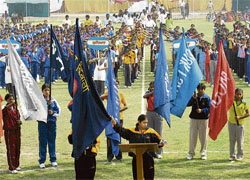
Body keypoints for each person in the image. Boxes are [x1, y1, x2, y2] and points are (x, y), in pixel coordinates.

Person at [111, 114, 165, 180]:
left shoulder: (151, 131)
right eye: (144, 123)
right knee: (136, 177)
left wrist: (161, 143)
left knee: (149, 177)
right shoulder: (132, 132)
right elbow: (122, 131)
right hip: (136, 158)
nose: (145, 124)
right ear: (139, 122)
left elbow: (159, 141)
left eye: (146, 123)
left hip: (148, 159)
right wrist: (115, 123)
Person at [101, 80, 128, 162]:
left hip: (119, 118)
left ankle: (119, 156)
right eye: (114, 84)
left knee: (118, 136)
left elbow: (126, 106)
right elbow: (100, 98)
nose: (116, 85)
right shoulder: (108, 93)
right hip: (109, 118)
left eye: (117, 84)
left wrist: (118, 110)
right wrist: (107, 94)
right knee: (109, 137)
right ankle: (109, 156)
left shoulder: (120, 95)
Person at [187, 83, 211, 160]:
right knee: (192, 137)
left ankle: (203, 153)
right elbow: (187, 104)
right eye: (199, 89)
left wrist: (202, 110)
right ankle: (191, 153)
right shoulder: (194, 96)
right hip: (194, 119)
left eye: (202, 89)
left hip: (203, 120)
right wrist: (192, 98)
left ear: (204, 90)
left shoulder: (207, 98)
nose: (200, 90)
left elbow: (209, 109)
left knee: (203, 137)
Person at [38, 84, 60, 168]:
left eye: (48, 90)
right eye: (45, 90)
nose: (47, 92)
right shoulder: (40, 101)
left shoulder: (53, 101)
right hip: (43, 123)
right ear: (42, 91)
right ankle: (42, 160)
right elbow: (37, 110)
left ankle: (53, 159)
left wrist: (53, 113)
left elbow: (58, 111)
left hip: (52, 123)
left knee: (52, 141)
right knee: (43, 141)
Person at [143, 81, 163, 159]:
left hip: (158, 113)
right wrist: (151, 93)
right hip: (149, 113)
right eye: (151, 87)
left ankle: (159, 151)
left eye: (154, 87)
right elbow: (144, 96)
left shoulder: (159, 93)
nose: (152, 88)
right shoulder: (148, 93)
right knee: (150, 132)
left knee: (158, 133)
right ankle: (151, 151)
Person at [228, 88, 249, 161]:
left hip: (240, 124)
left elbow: (248, 113)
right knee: (232, 140)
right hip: (231, 123)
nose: (239, 96)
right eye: (237, 94)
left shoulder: (244, 103)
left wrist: (240, 117)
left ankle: (240, 155)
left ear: (242, 95)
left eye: (240, 94)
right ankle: (232, 155)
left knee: (240, 140)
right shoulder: (231, 101)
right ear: (235, 94)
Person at [2, 94, 22, 174]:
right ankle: (11, 166)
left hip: (17, 130)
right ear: (6, 100)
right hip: (9, 130)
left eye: (12, 99)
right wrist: (10, 104)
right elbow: (3, 111)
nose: (11, 101)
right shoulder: (5, 108)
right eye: (10, 99)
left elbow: (20, 118)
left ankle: (16, 165)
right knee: (11, 149)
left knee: (17, 147)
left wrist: (19, 122)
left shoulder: (16, 109)